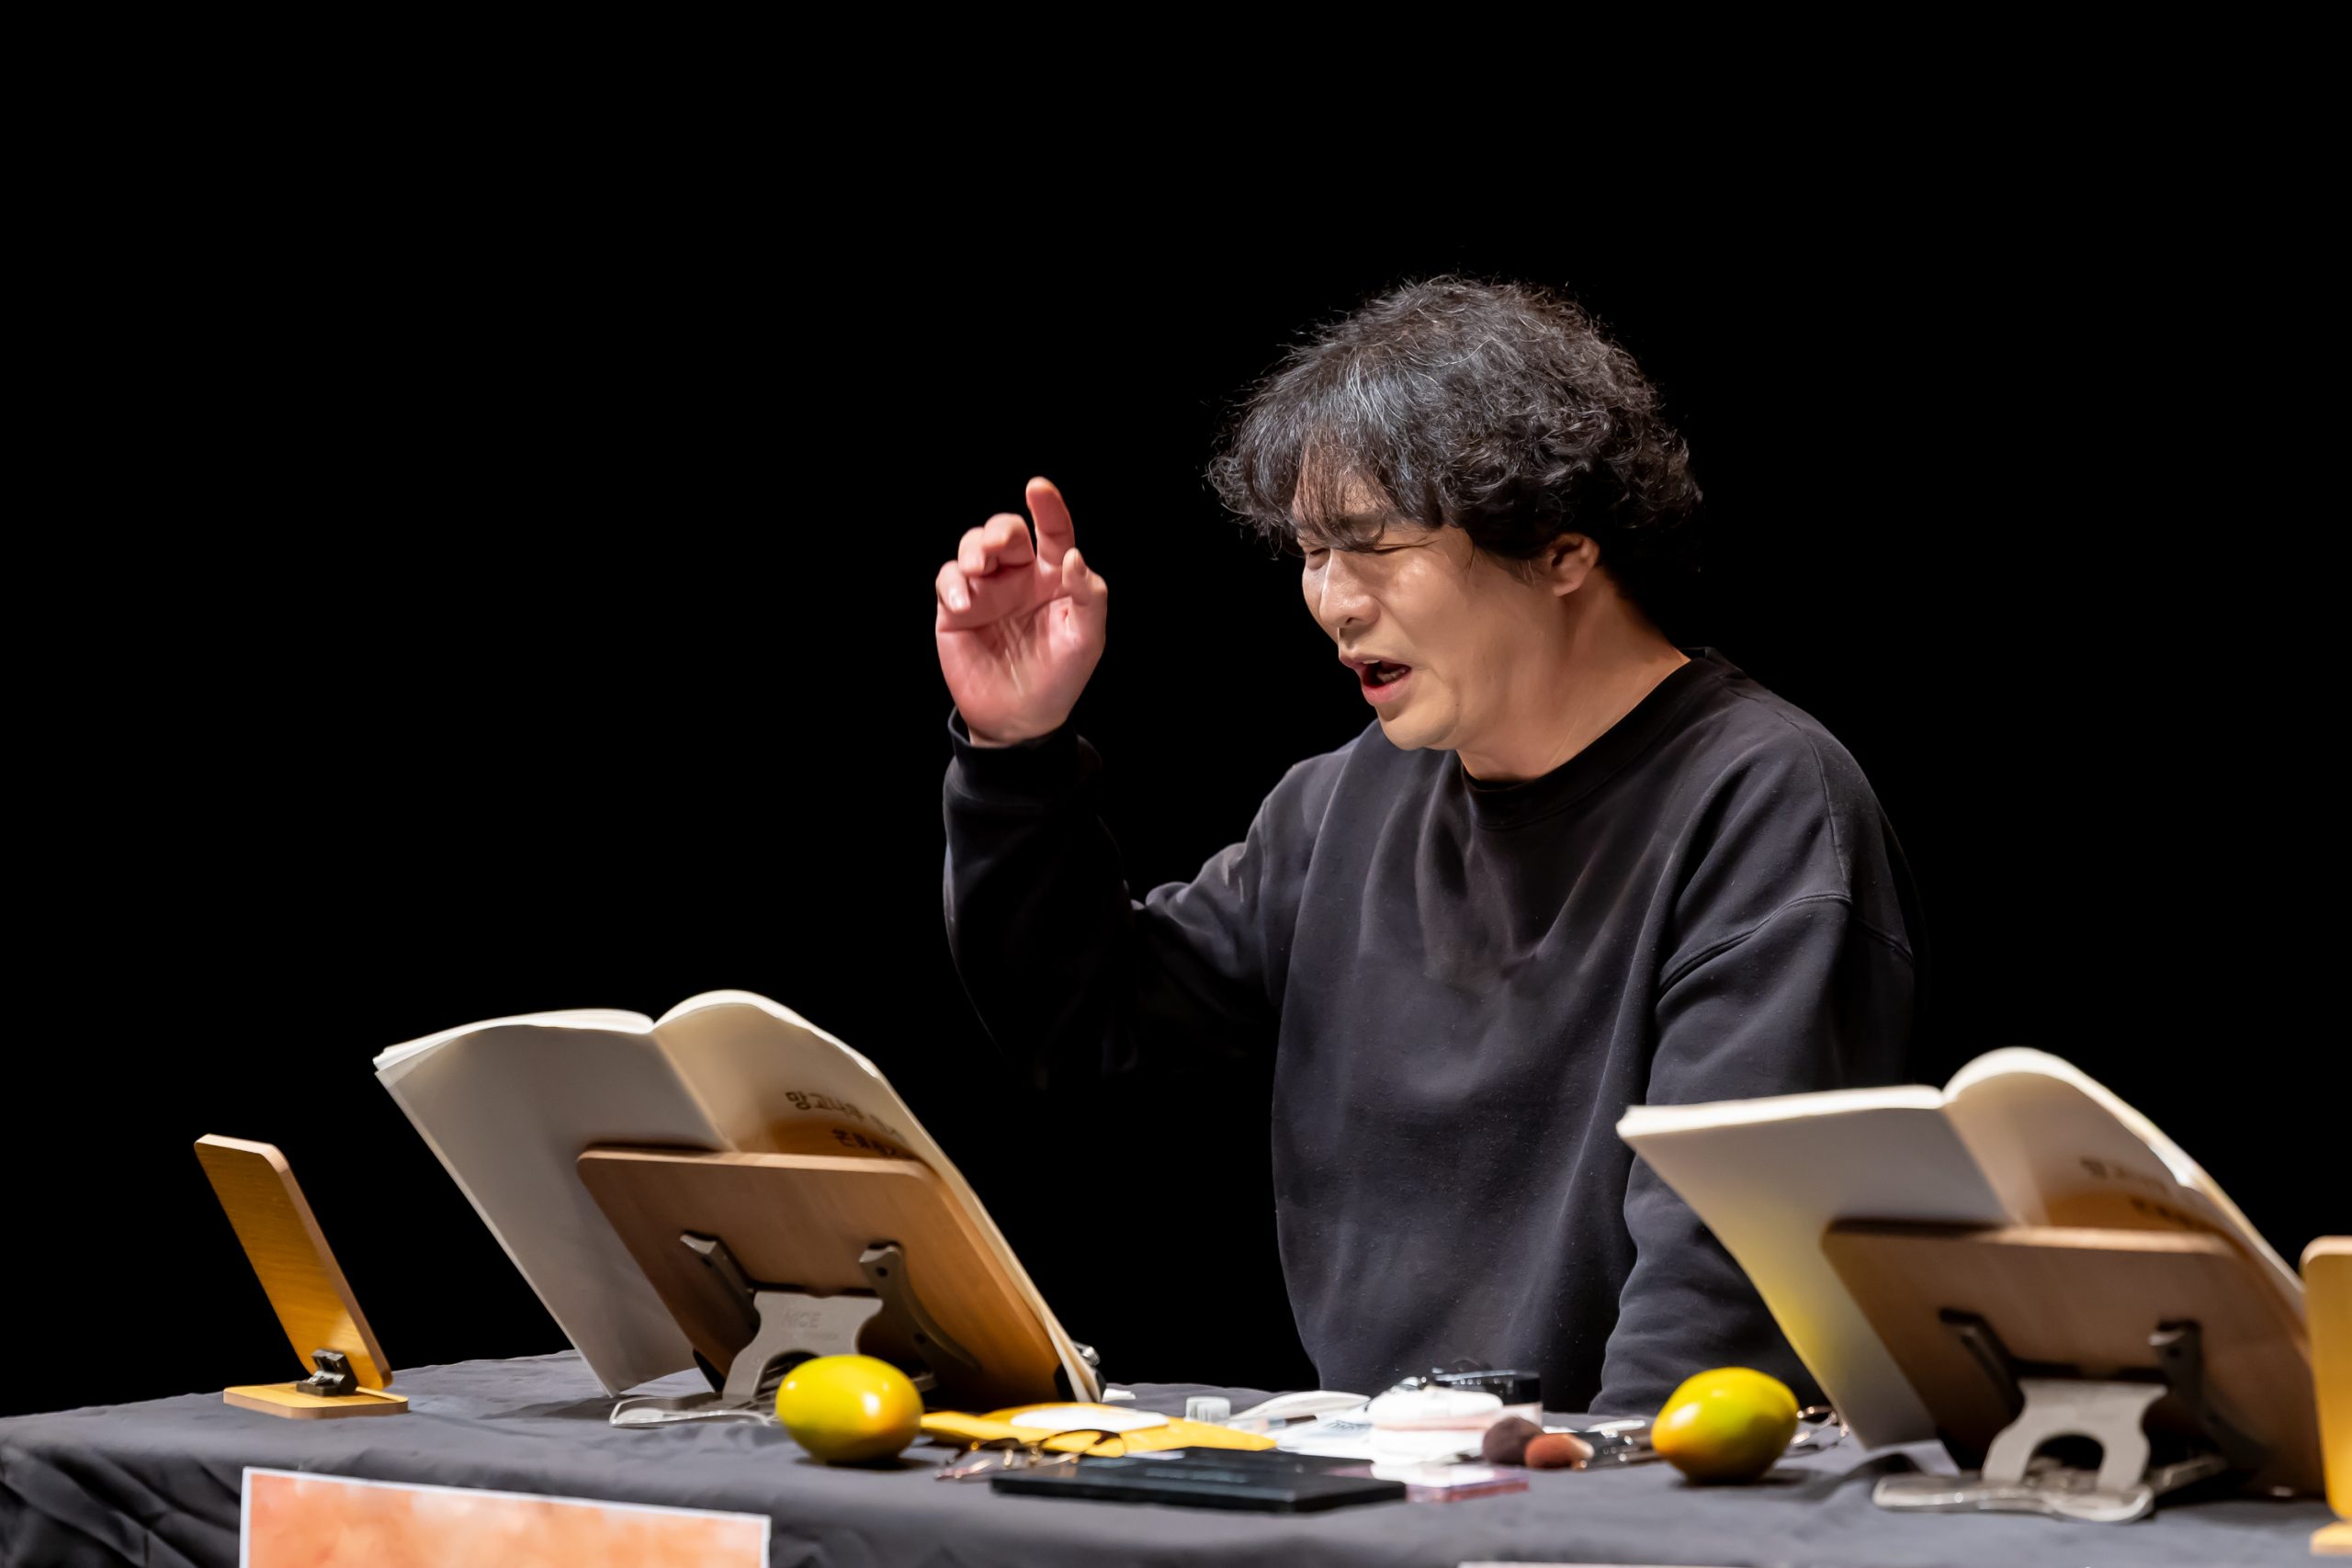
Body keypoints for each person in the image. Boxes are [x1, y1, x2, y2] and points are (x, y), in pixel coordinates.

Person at [933, 276, 1926, 1415]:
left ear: (1560, 549)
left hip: (1621, 1478)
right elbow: (1087, 1024)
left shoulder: (1760, 804)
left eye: (1371, 546)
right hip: (1390, 1470)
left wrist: (1603, 1498)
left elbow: (1724, 1273)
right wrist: (1013, 753)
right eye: (1311, 551)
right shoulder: (1345, 802)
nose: (1333, 603)